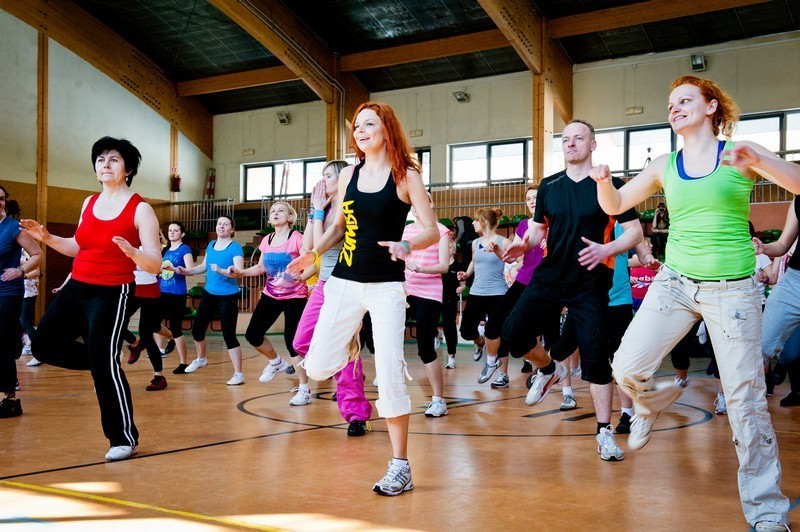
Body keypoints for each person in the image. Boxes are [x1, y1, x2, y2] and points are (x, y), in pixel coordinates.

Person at [592, 75, 800, 530]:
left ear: (711, 108)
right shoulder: (665, 163)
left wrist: (762, 160)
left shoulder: (738, 153)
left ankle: (767, 513)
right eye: (670, 104)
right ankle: (647, 405)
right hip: (675, 284)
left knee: (747, 403)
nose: (675, 108)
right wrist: (605, 184)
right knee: (625, 365)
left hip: (734, 290)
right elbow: (616, 205)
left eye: (685, 100)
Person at [287, 102, 438, 496]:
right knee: (317, 366)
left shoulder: (406, 177)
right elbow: (338, 225)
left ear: (387, 129)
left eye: (369, 123)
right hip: (344, 282)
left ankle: (400, 465)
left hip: (387, 287)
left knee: (389, 377)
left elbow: (431, 230)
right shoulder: (350, 174)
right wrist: (314, 252)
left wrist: (407, 243)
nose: (360, 130)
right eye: (356, 126)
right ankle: (352, 340)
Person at [501, 119, 643, 462]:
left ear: (592, 144)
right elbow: (537, 231)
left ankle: (604, 433)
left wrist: (607, 250)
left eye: (579, 138)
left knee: (596, 359)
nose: (571, 143)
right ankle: (549, 369)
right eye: (565, 139)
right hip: (550, 277)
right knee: (512, 333)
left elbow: (634, 233)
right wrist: (524, 246)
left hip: (591, 283)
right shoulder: (550, 186)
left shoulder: (609, 184)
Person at [20, 137, 161, 460]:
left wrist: (136, 253)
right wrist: (47, 237)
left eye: (113, 159)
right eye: (100, 159)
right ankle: (104, 361)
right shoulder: (88, 203)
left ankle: (123, 438)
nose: (106, 164)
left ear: (128, 168)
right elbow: (77, 246)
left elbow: (153, 263)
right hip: (78, 286)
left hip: (113, 291)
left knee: (102, 362)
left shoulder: (141, 209)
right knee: (43, 345)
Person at [292, 160, 373, 435]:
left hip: (348, 283)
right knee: (301, 340)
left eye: (327, 175)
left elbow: (320, 243)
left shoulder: (349, 207)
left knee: (349, 349)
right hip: (324, 283)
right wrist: (315, 212)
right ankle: (346, 374)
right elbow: (307, 247)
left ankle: (356, 416)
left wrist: (316, 214)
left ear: (342, 177)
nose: (322, 181)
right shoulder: (323, 209)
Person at [224, 202, 310, 396]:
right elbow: (261, 267)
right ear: (270, 220)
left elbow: (308, 259)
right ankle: (276, 362)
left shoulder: (297, 238)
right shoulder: (267, 240)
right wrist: (241, 273)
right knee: (252, 334)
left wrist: (301, 273)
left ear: (290, 217)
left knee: (292, 343)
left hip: (295, 296)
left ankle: (304, 387)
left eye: (280, 210)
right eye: (272, 211)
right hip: (271, 294)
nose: (275, 213)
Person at [476, 186, 553, 389]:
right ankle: (492, 361)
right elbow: (510, 257)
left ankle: (554, 379)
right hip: (524, 281)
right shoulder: (524, 225)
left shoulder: (555, 224)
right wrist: (498, 250)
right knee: (494, 326)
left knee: (546, 336)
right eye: (528, 199)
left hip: (547, 285)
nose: (532, 201)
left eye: (536, 197)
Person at [177, 216, 244, 385]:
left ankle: (238, 374)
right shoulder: (211, 245)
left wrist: (222, 271)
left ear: (232, 229)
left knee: (229, 335)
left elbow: (239, 272)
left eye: (226, 224)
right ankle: (201, 358)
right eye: (219, 223)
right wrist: (187, 271)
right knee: (197, 330)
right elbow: (203, 266)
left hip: (228, 296)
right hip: (209, 294)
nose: (222, 226)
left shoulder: (235, 248)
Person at [402, 193, 451, 416]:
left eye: (420, 202)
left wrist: (420, 269)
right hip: (404, 289)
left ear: (431, 204)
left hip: (429, 292)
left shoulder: (441, 231)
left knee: (424, 347)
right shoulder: (406, 231)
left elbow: (443, 267)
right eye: (411, 205)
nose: (415, 207)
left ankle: (439, 400)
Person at [0, 185, 43, 418]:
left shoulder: (13, 228)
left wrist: (20, 269)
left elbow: (37, 255)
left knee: (2, 342)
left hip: (7, 292)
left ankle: (10, 398)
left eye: (2, 199)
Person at [457, 208, 510, 367]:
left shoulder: (504, 242)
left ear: (485, 222)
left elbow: (516, 259)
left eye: (475, 220)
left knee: (497, 333)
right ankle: (479, 342)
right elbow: (474, 261)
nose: (473, 223)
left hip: (498, 294)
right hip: (477, 292)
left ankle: (501, 372)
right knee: (466, 331)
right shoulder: (475, 242)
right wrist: (466, 274)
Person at [158, 221, 195, 374]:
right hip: (161, 291)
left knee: (176, 327)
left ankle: (183, 363)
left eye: (175, 230)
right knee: (154, 323)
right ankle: (165, 344)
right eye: (170, 230)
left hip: (177, 293)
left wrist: (174, 268)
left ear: (182, 233)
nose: (172, 232)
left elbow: (190, 270)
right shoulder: (165, 250)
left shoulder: (184, 248)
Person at [19, 249, 40, 358]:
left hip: (28, 292)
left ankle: (39, 348)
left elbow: (37, 272)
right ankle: (27, 345)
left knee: (25, 322)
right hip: (20, 292)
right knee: (22, 321)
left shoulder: (27, 251)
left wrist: (21, 276)